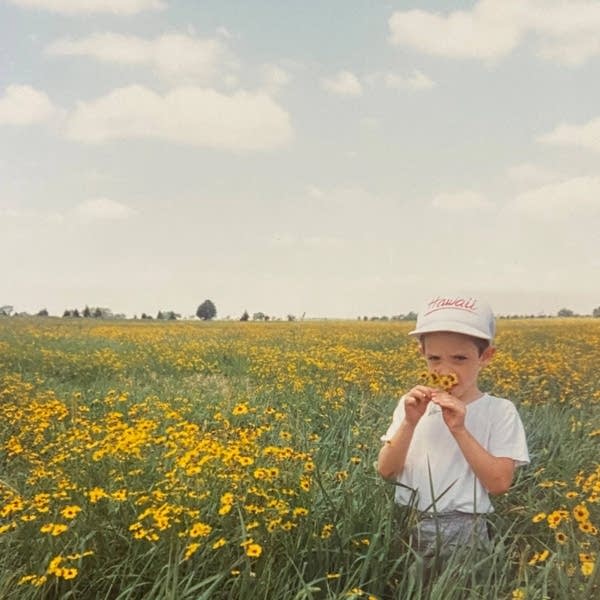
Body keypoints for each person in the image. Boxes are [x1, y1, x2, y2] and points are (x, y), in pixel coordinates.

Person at [378, 294, 529, 561]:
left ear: (486, 356)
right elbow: (386, 470)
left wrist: (459, 429)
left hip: (464, 530)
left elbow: (499, 483)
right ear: (421, 353)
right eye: (435, 358)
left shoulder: (499, 411)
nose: (445, 370)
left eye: (460, 358)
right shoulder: (410, 405)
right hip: (407, 521)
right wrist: (409, 423)